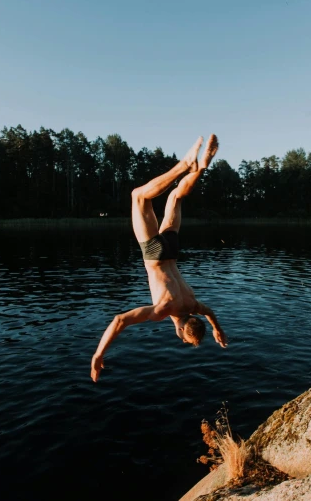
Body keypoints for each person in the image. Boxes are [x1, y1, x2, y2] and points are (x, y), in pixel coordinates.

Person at [90, 134, 228, 382]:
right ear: (180, 333)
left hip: (173, 249)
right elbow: (120, 320)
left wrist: (218, 330)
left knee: (175, 197)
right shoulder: (164, 310)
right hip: (155, 255)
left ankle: (199, 169)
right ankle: (185, 166)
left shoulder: (194, 304)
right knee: (139, 197)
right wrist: (99, 354)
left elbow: (211, 313)